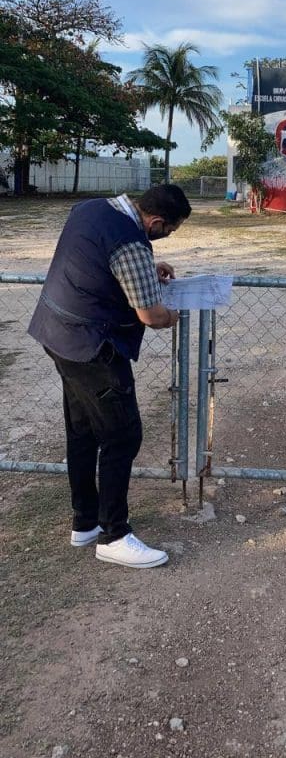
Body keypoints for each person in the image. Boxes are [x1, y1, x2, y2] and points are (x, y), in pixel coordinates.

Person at [28, 183, 192, 569]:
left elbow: (97, 260)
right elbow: (152, 316)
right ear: (155, 221)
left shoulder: (90, 208)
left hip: (56, 332)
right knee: (122, 435)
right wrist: (173, 315)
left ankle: (85, 522)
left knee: (83, 431)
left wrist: (145, 273)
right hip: (91, 346)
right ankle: (114, 535)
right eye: (169, 230)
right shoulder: (131, 244)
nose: (166, 236)